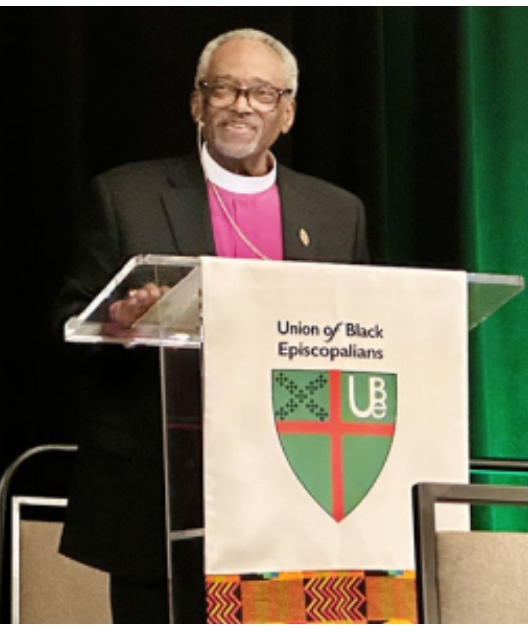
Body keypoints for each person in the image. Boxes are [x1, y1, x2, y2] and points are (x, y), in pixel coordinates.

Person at [52, 28, 369, 623]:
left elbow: (359, 342)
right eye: (223, 88)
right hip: (164, 493)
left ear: (288, 112)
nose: (241, 104)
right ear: (198, 104)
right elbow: (68, 330)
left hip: (292, 487)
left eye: (261, 92)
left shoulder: (337, 214)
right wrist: (119, 320)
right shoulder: (127, 196)